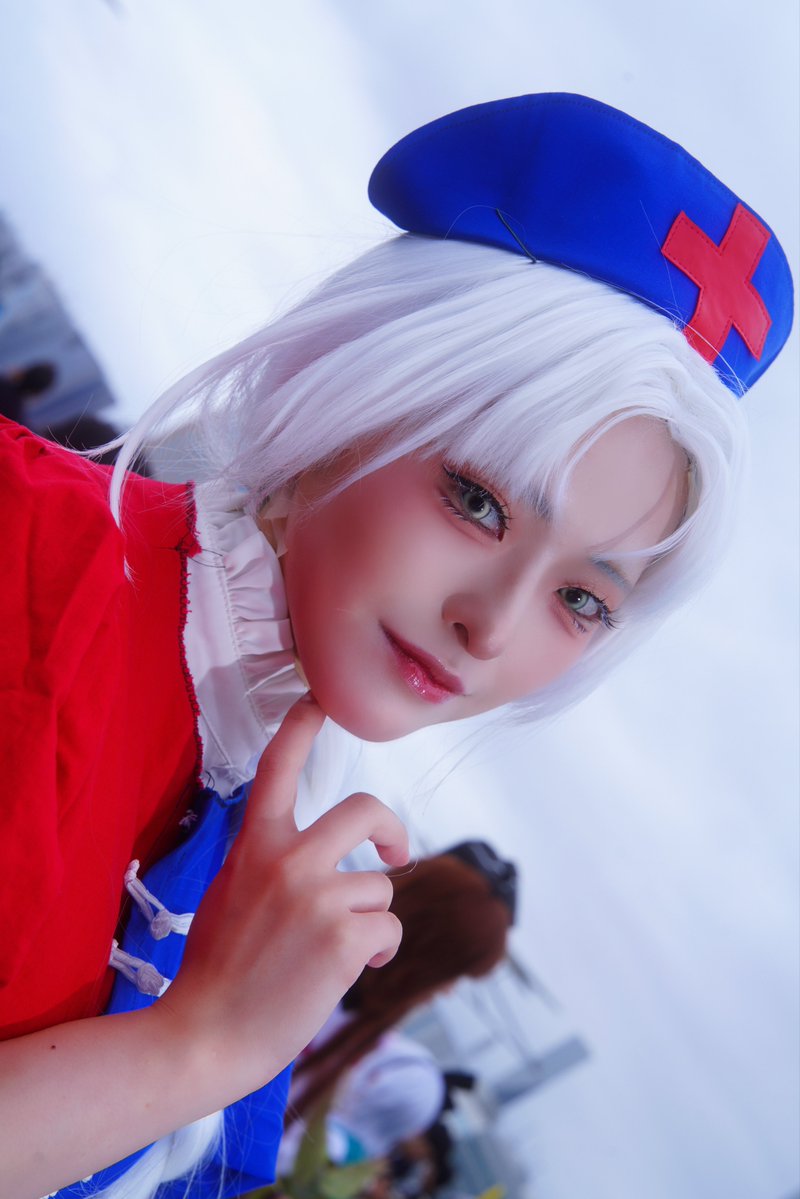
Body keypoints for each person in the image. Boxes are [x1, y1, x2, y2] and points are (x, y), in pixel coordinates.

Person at [0, 92, 792, 1199]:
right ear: (347, 391)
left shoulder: (276, 844)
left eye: (580, 598)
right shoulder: (24, 546)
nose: (492, 624)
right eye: (476, 499)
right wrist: (191, 1049)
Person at [276, 843, 515, 1177]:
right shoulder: (401, 1072)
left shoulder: (289, 922)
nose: (446, 992)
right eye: (451, 973)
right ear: (425, 948)